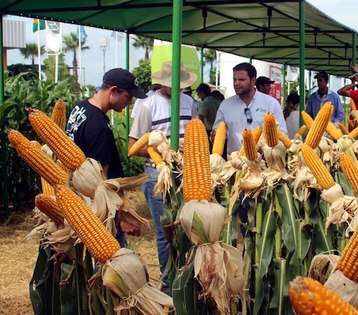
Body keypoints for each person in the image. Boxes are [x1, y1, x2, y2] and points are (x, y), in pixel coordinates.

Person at [128, 61, 197, 291]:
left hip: (186, 172)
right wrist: (164, 150)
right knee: (165, 229)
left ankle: (188, 277)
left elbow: (197, 135)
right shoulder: (148, 105)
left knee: (188, 227)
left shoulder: (190, 103)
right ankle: (169, 283)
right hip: (157, 173)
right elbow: (134, 146)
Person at [66, 67, 147, 244]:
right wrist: (120, 218)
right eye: (128, 96)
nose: (130, 102)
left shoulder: (81, 108)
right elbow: (101, 183)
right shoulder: (98, 127)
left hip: (79, 202)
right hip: (99, 210)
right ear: (113, 91)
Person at [213, 62, 287, 155]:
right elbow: (216, 134)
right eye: (234, 79)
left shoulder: (271, 103)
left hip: (263, 165)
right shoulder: (225, 105)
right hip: (234, 164)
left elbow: (282, 134)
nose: (236, 83)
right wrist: (214, 136)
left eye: (241, 80)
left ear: (253, 80)